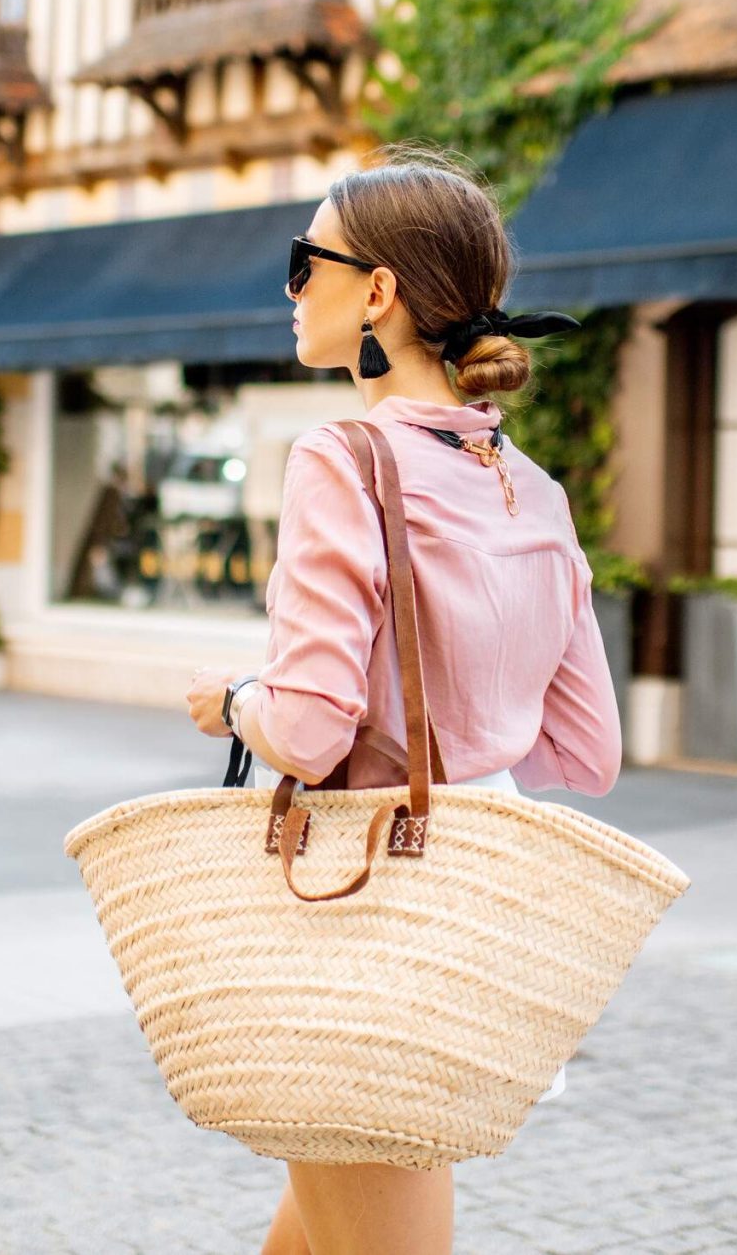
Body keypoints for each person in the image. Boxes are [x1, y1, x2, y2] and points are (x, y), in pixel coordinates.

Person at [184, 149, 624, 1255]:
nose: (291, 289)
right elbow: (587, 746)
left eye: (306, 262)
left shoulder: (341, 457)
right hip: (469, 913)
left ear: (375, 290)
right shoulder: (531, 485)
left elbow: (312, 725)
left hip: (352, 905)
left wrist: (233, 702)